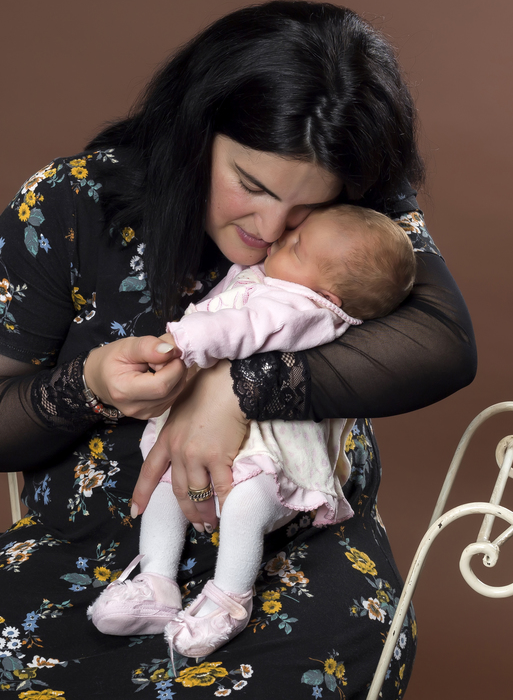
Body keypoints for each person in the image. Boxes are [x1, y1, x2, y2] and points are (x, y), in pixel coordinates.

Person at [0, 0, 476, 700]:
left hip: (295, 555)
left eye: (304, 212)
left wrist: (233, 388)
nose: (269, 229)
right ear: (195, 135)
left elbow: (443, 343)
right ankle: (149, 582)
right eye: (252, 185)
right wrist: (87, 385)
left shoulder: (364, 212)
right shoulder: (71, 203)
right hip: (77, 552)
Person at [88, 205, 417, 659]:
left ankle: (229, 599)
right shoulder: (274, 277)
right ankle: (156, 582)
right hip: (210, 430)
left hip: (271, 449)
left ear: (328, 294)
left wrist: (184, 341)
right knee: (167, 476)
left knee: (245, 505)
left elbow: (245, 326)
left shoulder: (308, 308)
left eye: (296, 248)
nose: (281, 239)